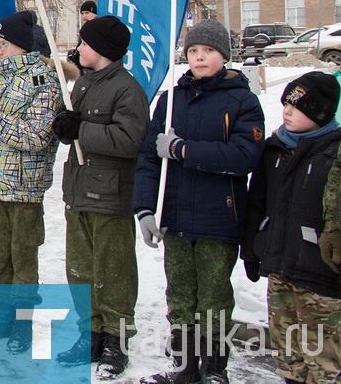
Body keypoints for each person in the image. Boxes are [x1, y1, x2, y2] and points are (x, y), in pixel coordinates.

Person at [135, 19, 264, 384]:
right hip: (175, 216)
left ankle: (214, 370)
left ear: (223, 55)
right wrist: (144, 209)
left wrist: (182, 149)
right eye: (193, 50)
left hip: (217, 219)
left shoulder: (242, 99)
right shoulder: (171, 100)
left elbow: (243, 156)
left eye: (207, 51)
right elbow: (148, 157)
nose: (199, 57)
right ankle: (184, 369)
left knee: (213, 297)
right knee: (180, 297)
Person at [52, 15, 149, 377]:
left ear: (104, 50)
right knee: (81, 271)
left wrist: (83, 128)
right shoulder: (83, 84)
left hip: (109, 196)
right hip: (79, 192)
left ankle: (116, 340)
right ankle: (90, 333)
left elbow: (129, 141)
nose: (78, 49)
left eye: (85, 44)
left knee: (114, 271)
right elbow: (78, 132)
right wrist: (67, 127)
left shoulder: (126, 89)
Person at [0, 11, 65, 345]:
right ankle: (3, 317)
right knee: (0, 260)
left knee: (23, 261)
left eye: (3, 44)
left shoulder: (44, 82)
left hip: (23, 188)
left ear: (21, 45)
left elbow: (37, 136)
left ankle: (22, 325)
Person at [242, 72, 340, 384]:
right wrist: (252, 249)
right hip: (281, 268)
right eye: (286, 103)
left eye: (297, 107)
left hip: (320, 277)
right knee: (287, 354)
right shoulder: (275, 149)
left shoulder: (334, 154)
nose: (287, 111)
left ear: (320, 114)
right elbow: (258, 204)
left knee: (322, 359)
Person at [66, 0, 98, 70]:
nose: (84, 16)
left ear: (95, 13)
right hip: (84, 68)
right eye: (82, 13)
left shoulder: (99, 29)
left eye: (87, 13)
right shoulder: (84, 29)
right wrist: (75, 55)